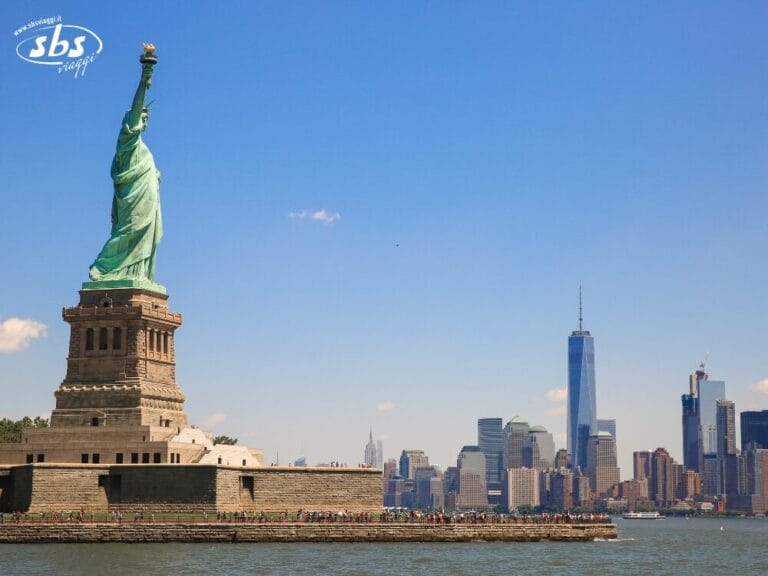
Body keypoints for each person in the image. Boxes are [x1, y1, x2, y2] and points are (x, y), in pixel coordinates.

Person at [89, 46, 162, 285]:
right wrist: (146, 77)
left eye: (145, 118)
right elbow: (135, 107)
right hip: (133, 202)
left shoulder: (143, 149)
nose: (144, 120)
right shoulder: (127, 140)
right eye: (141, 116)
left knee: (143, 236)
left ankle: (136, 274)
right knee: (128, 232)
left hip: (146, 202)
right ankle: (104, 269)